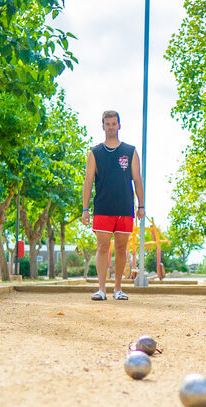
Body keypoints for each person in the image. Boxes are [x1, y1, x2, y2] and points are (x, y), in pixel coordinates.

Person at [81, 110, 146, 301]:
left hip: (125, 208)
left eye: (113, 123)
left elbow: (137, 180)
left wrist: (141, 205)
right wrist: (85, 210)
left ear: (119, 125)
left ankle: (118, 289)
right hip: (103, 207)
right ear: (103, 126)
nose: (110, 127)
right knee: (102, 246)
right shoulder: (95, 153)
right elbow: (88, 182)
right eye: (107, 124)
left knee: (121, 248)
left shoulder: (130, 151)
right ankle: (101, 289)